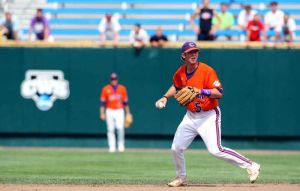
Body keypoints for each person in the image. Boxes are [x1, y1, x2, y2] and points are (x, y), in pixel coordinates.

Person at [155, 42, 261, 187]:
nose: (193, 54)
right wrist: (165, 97)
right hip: (191, 116)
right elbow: (176, 85)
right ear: (183, 55)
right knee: (176, 148)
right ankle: (181, 178)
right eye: (190, 52)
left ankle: (251, 165)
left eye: (195, 52)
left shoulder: (207, 71)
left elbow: (220, 93)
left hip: (209, 116)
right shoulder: (180, 72)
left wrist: (201, 90)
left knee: (216, 150)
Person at [100, 73, 131, 153]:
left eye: (115, 79)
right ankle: (112, 147)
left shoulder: (122, 88)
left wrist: (128, 113)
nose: (114, 81)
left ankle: (121, 146)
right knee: (110, 129)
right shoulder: (106, 89)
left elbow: (125, 102)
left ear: (117, 79)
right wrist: (102, 113)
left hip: (119, 110)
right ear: (110, 80)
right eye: (112, 79)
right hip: (109, 110)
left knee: (120, 128)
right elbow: (102, 103)